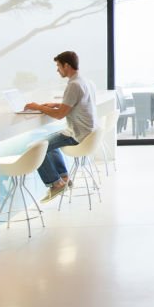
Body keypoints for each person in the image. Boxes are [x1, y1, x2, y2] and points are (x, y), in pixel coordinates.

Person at [25, 51, 97, 202]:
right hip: (88, 131)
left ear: (66, 65)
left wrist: (37, 106)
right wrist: (56, 104)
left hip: (78, 134)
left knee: (37, 146)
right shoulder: (84, 81)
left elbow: (60, 115)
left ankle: (56, 184)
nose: (57, 70)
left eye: (58, 66)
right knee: (48, 141)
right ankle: (64, 177)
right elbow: (76, 104)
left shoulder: (74, 85)